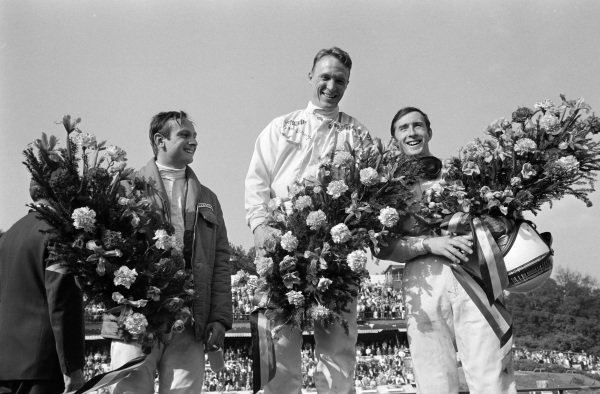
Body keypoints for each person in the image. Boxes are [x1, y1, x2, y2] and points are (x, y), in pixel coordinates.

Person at [245, 47, 372, 394]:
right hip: (281, 246)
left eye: (340, 81)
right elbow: (257, 180)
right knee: (281, 347)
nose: (332, 86)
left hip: (337, 252)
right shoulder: (279, 127)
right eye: (325, 77)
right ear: (310, 76)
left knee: (337, 350)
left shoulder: (358, 134)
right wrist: (260, 227)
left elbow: (371, 195)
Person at [378, 107, 516, 394]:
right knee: (433, 377)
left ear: (429, 131)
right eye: (403, 128)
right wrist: (430, 243)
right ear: (394, 140)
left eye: (418, 126)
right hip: (423, 279)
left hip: (470, 271)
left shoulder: (459, 174)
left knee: (489, 370)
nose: (412, 132)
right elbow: (383, 247)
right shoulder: (385, 190)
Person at [107, 111, 232, 394]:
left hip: (188, 322)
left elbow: (221, 262)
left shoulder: (208, 198)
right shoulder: (126, 188)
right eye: (185, 135)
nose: (194, 142)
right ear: (160, 140)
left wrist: (220, 318)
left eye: (194, 137)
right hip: (135, 320)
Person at [0, 186, 85, 393]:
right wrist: (72, 366)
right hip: (42, 367)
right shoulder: (57, 233)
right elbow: (61, 302)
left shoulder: (8, 235)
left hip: (5, 365)